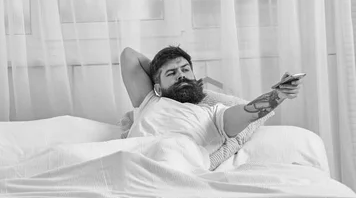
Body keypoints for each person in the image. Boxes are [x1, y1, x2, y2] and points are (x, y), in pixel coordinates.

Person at [120, 45, 303, 165]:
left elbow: (249, 112)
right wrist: (156, 73)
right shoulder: (150, 100)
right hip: (133, 162)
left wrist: (279, 94)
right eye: (172, 73)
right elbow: (128, 55)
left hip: (174, 165)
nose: (181, 75)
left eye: (185, 70)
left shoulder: (212, 114)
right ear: (157, 86)